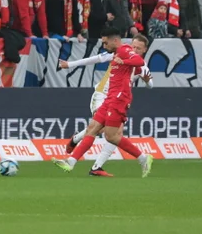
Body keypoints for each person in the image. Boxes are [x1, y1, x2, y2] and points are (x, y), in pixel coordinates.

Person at [52, 29, 155, 178]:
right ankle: (71, 162)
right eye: (133, 46)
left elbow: (142, 67)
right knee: (95, 128)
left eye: (138, 48)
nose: (134, 49)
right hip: (105, 96)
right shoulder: (118, 53)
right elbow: (96, 59)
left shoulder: (127, 53)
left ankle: (142, 158)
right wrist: (70, 64)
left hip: (119, 98)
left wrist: (139, 73)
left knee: (110, 135)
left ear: (144, 50)